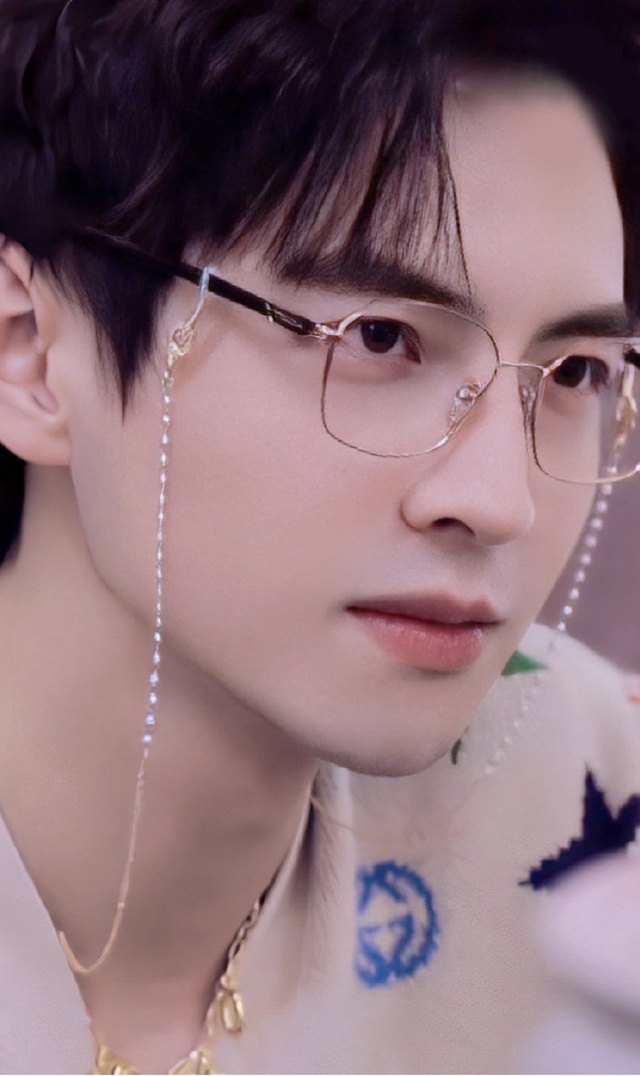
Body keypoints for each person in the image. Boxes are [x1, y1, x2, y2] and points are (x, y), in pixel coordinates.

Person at [0, 1, 639, 1073]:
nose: (499, 502)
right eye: (379, 337)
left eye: (574, 372)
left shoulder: (598, 812)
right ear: (26, 347)